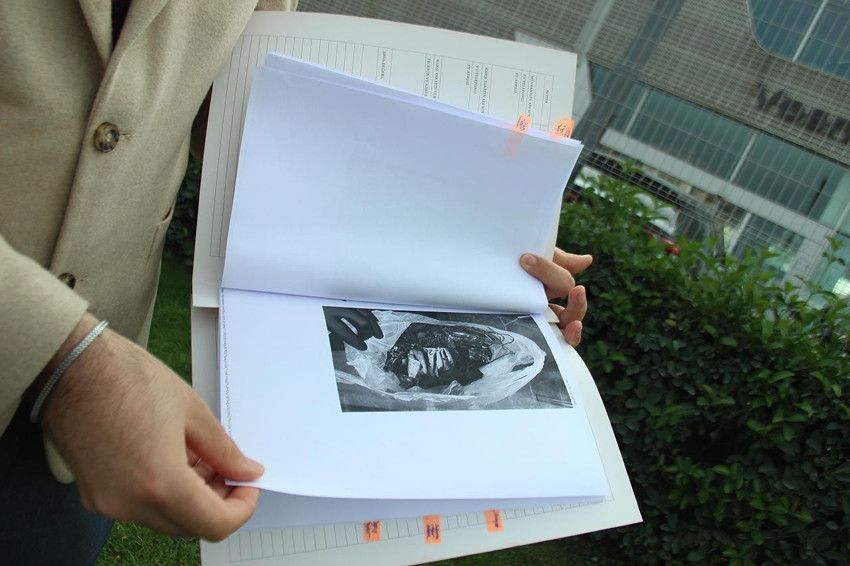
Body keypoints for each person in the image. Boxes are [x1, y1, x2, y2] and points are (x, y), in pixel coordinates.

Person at [0, 1, 591, 563]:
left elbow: (239, 126)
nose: (442, 364)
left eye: (462, 367)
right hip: (96, 379)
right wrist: (71, 360)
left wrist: (474, 254)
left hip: (87, 403)